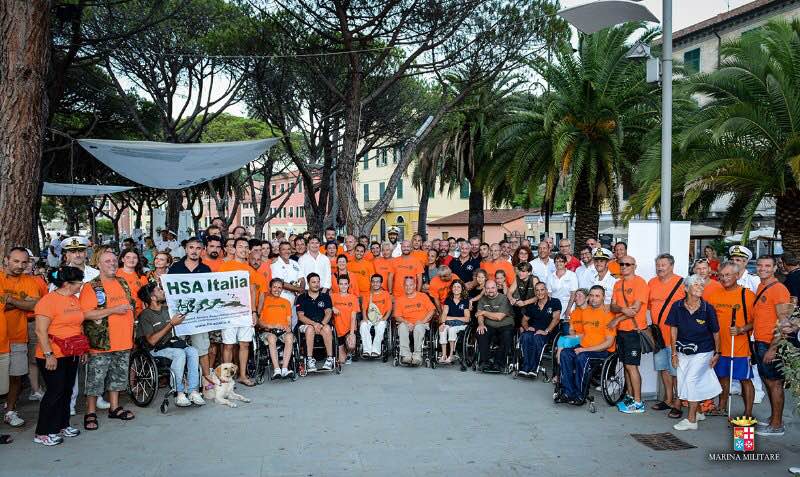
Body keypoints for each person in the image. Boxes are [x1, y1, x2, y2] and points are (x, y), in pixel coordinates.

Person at [79, 249, 136, 430]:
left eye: (114, 260)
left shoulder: (122, 282)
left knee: (118, 377)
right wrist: (113, 310)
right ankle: (90, 412)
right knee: (95, 379)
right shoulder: (91, 286)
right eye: (107, 261)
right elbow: (86, 314)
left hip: (123, 340)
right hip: (102, 342)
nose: (112, 264)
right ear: (99, 265)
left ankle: (114, 407)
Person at [31, 266, 88, 446]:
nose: (81, 285)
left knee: (67, 390)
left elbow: (78, 325)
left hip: (71, 352)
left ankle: (62, 425)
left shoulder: (73, 299)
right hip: (52, 354)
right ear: (67, 284)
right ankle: (42, 432)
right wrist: (49, 355)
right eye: (79, 282)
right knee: (54, 392)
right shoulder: (47, 301)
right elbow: (40, 331)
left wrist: (81, 349)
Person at [666, 274, 722, 431]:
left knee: (691, 381)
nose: (700, 287)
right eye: (696, 284)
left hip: (703, 351)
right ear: (686, 288)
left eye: (701, 285)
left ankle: (691, 420)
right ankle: (698, 413)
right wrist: (674, 353)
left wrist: (717, 353)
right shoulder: (677, 306)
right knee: (684, 380)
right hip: (682, 351)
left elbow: (716, 332)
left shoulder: (708, 308)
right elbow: (673, 331)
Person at [136, 282, 205, 407]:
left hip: (172, 344)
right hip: (155, 349)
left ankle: (193, 391)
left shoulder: (167, 309)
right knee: (179, 353)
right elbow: (152, 341)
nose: (163, 291)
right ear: (152, 297)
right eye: (159, 290)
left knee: (193, 351)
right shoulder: (145, 315)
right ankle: (179, 393)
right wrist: (171, 324)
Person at [706, 261, 756, 419]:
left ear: (737, 275)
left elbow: (756, 321)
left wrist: (742, 329)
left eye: (728, 275)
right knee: (722, 377)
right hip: (720, 347)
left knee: (745, 379)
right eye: (721, 275)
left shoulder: (747, 295)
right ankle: (722, 407)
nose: (724, 278)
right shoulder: (714, 295)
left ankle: (748, 413)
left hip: (740, 347)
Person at [167, 238, 216, 390]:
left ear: (202, 250)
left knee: (202, 349)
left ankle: (206, 380)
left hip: (198, 316)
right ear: (186, 249)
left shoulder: (206, 269)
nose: (194, 251)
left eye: (198, 248)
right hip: (179, 315)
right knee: (179, 349)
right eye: (191, 247)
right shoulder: (175, 268)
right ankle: (178, 383)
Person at [218, 238, 268, 386]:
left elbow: (253, 292)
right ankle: (226, 378)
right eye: (240, 246)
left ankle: (242, 375)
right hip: (229, 312)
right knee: (228, 345)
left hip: (245, 313)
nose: (243, 249)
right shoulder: (225, 267)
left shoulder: (250, 270)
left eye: (246, 247)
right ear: (233, 249)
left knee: (244, 344)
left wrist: (254, 312)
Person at [750, 255, 791, 436]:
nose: (763, 268)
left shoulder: (779, 289)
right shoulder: (761, 286)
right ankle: (774, 418)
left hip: (770, 343)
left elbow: (784, 323)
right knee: (768, 381)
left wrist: (773, 348)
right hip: (760, 341)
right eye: (760, 265)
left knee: (775, 383)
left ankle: (776, 425)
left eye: (767, 266)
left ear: (775, 268)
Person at [556, 286, 616, 405]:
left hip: (602, 351)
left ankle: (580, 395)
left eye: (597, 296)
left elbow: (609, 343)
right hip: (584, 347)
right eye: (592, 295)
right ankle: (567, 392)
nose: (594, 298)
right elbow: (583, 334)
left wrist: (585, 350)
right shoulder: (586, 312)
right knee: (565, 353)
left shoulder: (608, 314)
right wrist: (566, 342)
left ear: (603, 297)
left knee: (582, 357)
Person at [2, 247, 42, 428]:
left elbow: (34, 305)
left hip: (18, 336)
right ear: (6, 260)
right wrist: (22, 303)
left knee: (16, 377)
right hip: (0, 337)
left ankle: (10, 411)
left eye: (24, 262)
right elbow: (4, 305)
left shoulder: (30, 281)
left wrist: (10, 300)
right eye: (16, 261)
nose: (20, 265)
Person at [609, 255, 649, 414]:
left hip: (633, 331)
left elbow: (635, 310)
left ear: (634, 266)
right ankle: (631, 397)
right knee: (626, 365)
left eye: (628, 264)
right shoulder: (617, 284)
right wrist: (622, 310)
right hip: (621, 332)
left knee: (632, 366)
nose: (624, 266)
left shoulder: (640, 283)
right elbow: (612, 306)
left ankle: (638, 402)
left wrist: (617, 319)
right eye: (622, 264)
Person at [647, 253, 686, 418]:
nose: (660, 268)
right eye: (658, 265)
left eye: (663, 265)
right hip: (659, 336)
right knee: (663, 368)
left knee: (676, 371)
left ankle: (678, 402)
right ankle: (668, 399)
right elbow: (649, 307)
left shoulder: (682, 283)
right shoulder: (652, 282)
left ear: (672, 266)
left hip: (676, 335)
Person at [518, 282, 561, 377]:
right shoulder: (533, 305)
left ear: (546, 291)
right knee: (525, 336)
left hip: (548, 332)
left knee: (537, 337)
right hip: (534, 331)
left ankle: (534, 368)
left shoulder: (555, 302)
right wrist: (527, 327)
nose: (539, 292)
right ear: (535, 292)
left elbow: (556, 319)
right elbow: (524, 320)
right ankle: (525, 367)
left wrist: (546, 331)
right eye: (537, 290)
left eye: (542, 290)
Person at [295, 274, 335, 371]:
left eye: (318, 282)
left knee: (327, 328)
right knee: (310, 329)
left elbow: (328, 313)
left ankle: (330, 359)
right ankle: (309, 359)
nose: (316, 284)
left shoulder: (325, 296)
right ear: (308, 283)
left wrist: (321, 324)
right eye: (313, 282)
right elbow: (300, 316)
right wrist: (314, 324)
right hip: (305, 325)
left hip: (322, 323)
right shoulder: (301, 297)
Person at [475, 280, 515, 372]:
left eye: (493, 287)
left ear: (497, 287)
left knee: (507, 336)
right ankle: (485, 362)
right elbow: (479, 315)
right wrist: (481, 324)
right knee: (481, 333)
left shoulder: (504, 298)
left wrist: (484, 312)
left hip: (505, 325)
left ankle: (499, 363)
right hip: (489, 326)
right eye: (488, 288)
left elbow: (499, 317)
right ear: (485, 289)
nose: (490, 290)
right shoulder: (482, 299)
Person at [259, 278, 296, 379]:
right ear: (270, 288)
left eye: (279, 288)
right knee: (271, 338)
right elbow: (259, 322)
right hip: (268, 331)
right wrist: (270, 326)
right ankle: (276, 369)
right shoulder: (264, 301)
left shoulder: (286, 302)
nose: (277, 290)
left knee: (290, 337)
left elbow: (289, 321)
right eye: (274, 287)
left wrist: (288, 327)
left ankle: (284, 368)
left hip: (282, 331)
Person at [394, 277, 436, 365]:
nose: (408, 287)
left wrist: (423, 321)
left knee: (418, 327)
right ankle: (406, 355)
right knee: (402, 327)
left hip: (421, 323)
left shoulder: (423, 296)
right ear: (403, 286)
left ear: (415, 285)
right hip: (407, 323)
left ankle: (417, 355)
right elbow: (397, 316)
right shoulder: (400, 299)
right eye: (406, 285)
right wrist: (407, 322)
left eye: (411, 285)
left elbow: (432, 310)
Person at [270, 241, 305, 328]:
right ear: (279, 251)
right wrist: (299, 290)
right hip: (281, 299)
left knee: (293, 324)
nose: (287, 251)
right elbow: (280, 283)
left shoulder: (295, 263)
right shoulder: (275, 265)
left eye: (288, 249)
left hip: (295, 300)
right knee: (282, 325)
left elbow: (302, 279)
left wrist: (299, 294)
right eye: (284, 249)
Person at [438, 279, 470, 364]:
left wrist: (452, 318)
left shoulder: (465, 300)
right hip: (449, 324)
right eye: (454, 286)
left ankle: (451, 355)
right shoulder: (448, 299)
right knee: (442, 329)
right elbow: (444, 314)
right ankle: (444, 355)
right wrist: (443, 323)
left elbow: (467, 318)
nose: (456, 288)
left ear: (462, 289)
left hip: (461, 325)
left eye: (458, 287)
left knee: (452, 329)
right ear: (451, 288)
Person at [359, 274, 392, 358]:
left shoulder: (386, 294)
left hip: (381, 318)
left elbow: (389, 309)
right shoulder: (367, 294)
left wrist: (384, 318)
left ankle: (376, 350)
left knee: (381, 325)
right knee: (363, 325)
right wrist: (364, 318)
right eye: (373, 282)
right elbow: (364, 309)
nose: (375, 284)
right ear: (371, 283)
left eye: (377, 282)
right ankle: (367, 350)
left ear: (381, 283)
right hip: (369, 318)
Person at [331, 275, 359, 365]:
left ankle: (350, 352)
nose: (343, 286)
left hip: (349, 329)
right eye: (341, 284)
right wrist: (332, 308)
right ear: (338, 285)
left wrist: (351, 333)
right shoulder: (333, 297)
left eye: (345, 284)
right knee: (342, 361)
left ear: (348, 285)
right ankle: (343, 350)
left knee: (351, 344)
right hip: (338, 330)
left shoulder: (353, 298)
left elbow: (353, 317)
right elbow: (326, 308)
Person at [546, 253, 578, 325]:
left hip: (569, 306)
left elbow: (573, 295)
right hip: (555, 306)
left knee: (566, 329)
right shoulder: (550, 276)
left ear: (565, 263)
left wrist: (568, 310)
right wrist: (550, 309)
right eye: (556, 261)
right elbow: (549, 295)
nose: (558, 263)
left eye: (561, 261)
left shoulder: (572, 275)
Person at [116, 249, 148, 315]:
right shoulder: (114, 274)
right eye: (128, 257)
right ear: (122, 259)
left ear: (138, 260)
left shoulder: (142, 277)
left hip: (139, 314)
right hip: (119, 312)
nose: (131, 260)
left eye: (134, 258)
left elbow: (146, 299)